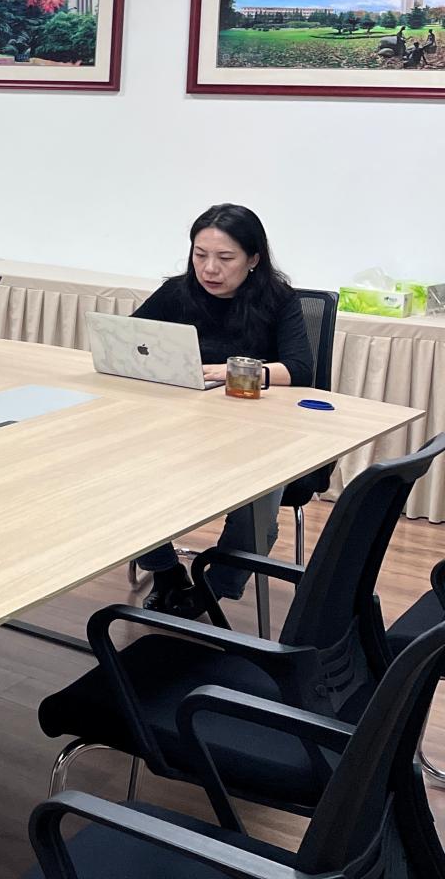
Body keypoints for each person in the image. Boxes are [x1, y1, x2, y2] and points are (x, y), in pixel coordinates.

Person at [132, 203, 314, 618]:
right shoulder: (177, 293)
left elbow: (300, 369)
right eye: (200, 255)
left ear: (253, 259)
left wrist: (231, 371)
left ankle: (212, 592)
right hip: (179, 427)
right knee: (121, 474)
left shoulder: (278, 299)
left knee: (258, 509)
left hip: (257, 434)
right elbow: (131, 338)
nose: (209, 269)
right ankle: (166, 573)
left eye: (225, 258)